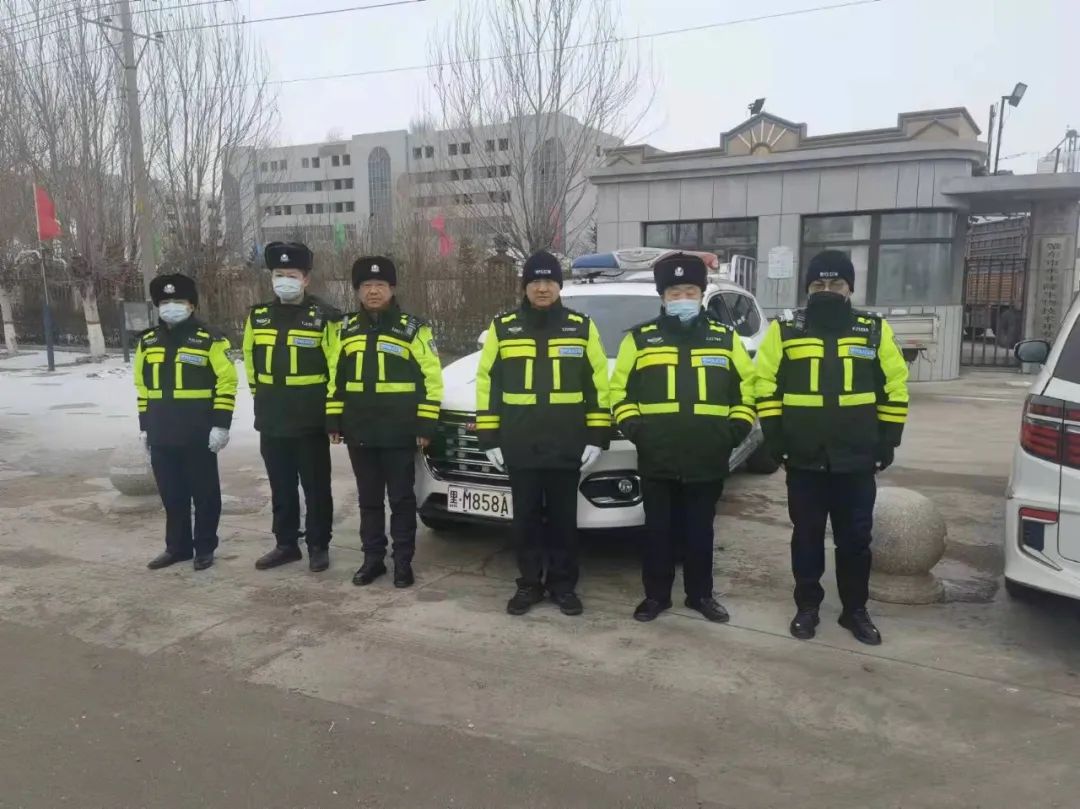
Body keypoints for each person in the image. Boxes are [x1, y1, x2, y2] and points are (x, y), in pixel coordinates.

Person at [755, 250, 910, 645]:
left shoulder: (872, 330)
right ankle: (807, 607)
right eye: (818, 284)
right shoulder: (785, 330)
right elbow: (764, 384)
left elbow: (895, 385)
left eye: (836, 283)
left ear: (849, 288)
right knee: (806, 537)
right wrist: (775, 438)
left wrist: (887, 440)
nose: (827, 290)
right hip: (804, 458)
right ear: (807, 288)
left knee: (855, 540)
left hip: (856, 458)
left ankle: (854, 610)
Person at [609, 253, 756, 623]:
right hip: (657, 457)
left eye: (690, 291)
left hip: (707, 456)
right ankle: (656, 597)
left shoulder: (725, 338)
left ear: (701, 294)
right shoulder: (640, 340)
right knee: (657, 532)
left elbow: (748, 390)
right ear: (663, 297)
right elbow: (618, 393)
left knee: (700, 533)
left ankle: (700, 595)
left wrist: (732, 432)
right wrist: (638, 431)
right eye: (674, 292)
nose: (683, 298)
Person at [475, 250, 610, 616]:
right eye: (535, 281)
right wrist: (489, 437)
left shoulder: (581, 327)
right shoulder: (503, 328)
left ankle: (563, 586)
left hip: (566, 442)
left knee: (565, 521)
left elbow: (599, 384)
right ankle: (530, 584)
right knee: (525, 521)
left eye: (549, 280)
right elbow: (488, 385)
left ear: (559, 286)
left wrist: (597, 435)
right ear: (525, 287)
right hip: (521, 443)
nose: (542, 287)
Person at [326, 256, 443, 588]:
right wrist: (333, 419)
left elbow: (432, 378)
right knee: (369, 500)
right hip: (360, 429)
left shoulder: (413, 328)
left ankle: (403, 562)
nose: (373, 291)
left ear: (392, 288)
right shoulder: (345, 329)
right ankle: (372, 560)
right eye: (366, 285)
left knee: (401, 499)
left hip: (400, 431)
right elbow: (336, 377)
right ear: (357, 290)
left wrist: (426, 424)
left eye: (380, 285)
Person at [243, 242, 341, 573]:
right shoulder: (258, 317)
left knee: (316, 487)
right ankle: (285, 544)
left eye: (292, 275)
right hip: (272, 418)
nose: (284, 280)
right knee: (280, 486)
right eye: (279, 274)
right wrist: (261, 398)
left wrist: (333, 411)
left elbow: (336, 367)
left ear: (306, 279)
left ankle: (318, 545)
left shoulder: (325, 317)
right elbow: (251, 363)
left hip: (309, 419)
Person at [136, 273, 237, 571]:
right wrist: (145, 427)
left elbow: (227, 382)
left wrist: (221, 424)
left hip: (198, 431)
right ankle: (177, 548)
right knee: (172, 495)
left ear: (192, 305)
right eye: (165, 302)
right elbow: (142, 386)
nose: (171, 307)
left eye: (178, 301)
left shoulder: (210, 339)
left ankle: (204, 547)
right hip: (161, 430)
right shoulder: (148, 341)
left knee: (205, 495)